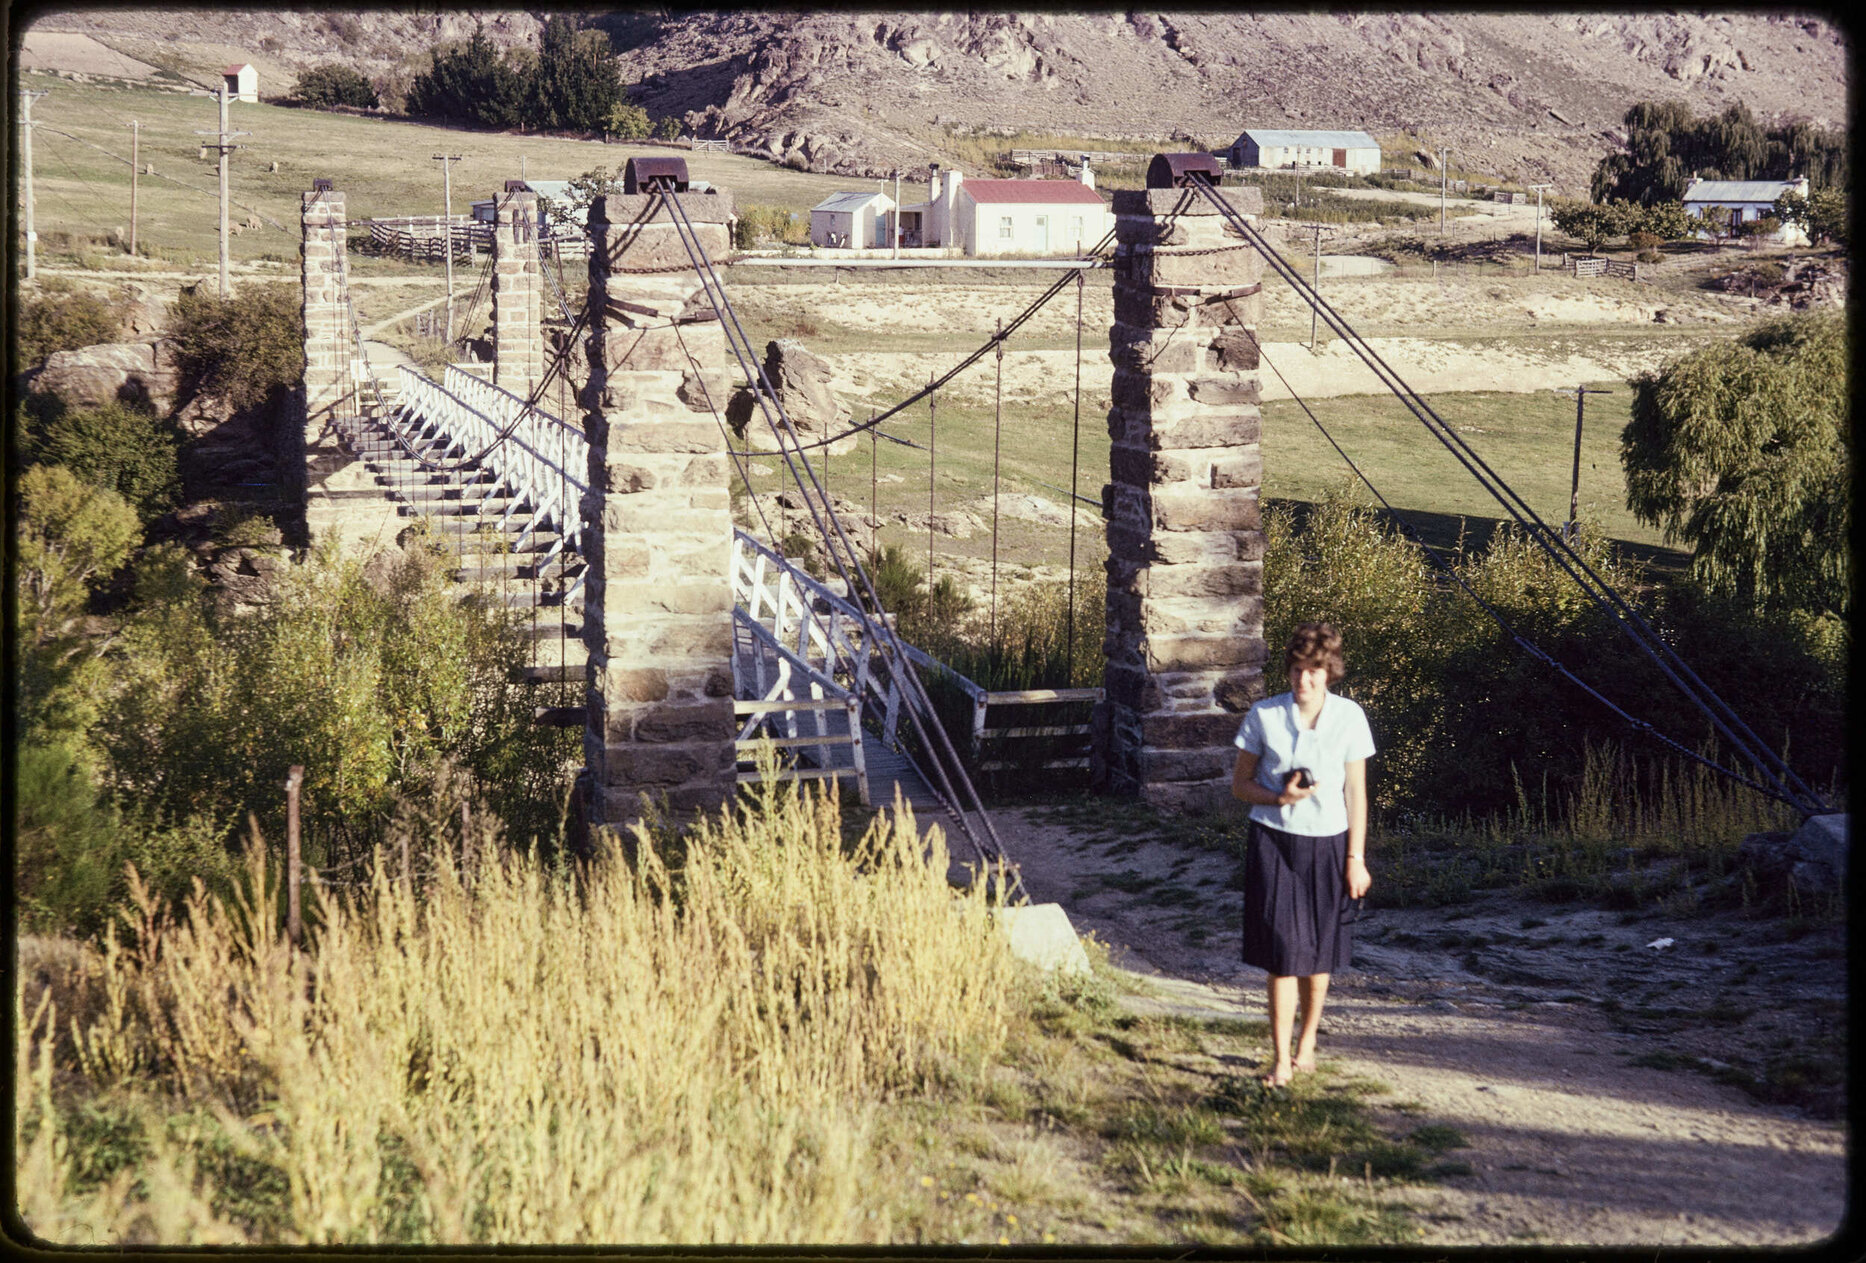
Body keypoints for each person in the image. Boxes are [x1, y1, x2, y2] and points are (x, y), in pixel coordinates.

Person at [1231, 621, 1376, 1088]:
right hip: (1273, 842)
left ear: (1328, 671)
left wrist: (1356, 858)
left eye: (1314, 670)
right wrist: (1280, 799)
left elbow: (1356, 792)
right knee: (1282, 954)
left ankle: (1307, 1043)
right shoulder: (1264, 716)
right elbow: (1239, 786)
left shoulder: (1349, 717)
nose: (1304, 680)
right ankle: (1279, 1059)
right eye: (1296, 670)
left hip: (1330, 844)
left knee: (1317, 955)